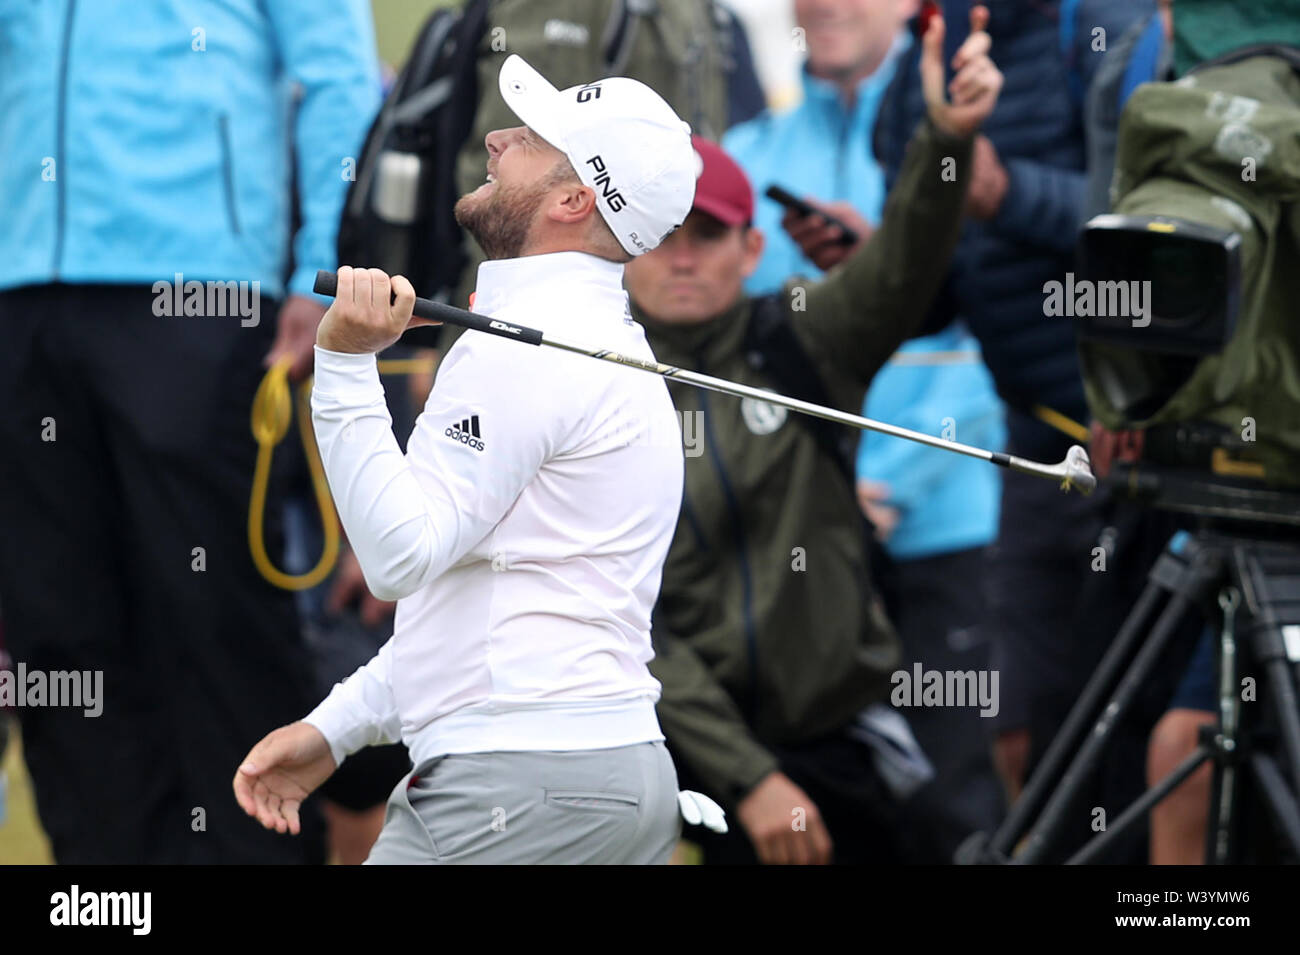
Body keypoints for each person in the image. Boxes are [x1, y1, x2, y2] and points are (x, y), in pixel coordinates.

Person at [234, 55, 699, 865]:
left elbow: (399, 557)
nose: (494, 137)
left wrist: (342, 362)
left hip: (520, 789)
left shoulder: (524, 349)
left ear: (571, 199)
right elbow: (478, 617)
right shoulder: (602, 345)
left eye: (526, 137)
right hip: (614, 778)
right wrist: (334, 731)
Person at [0, 0, 380, 863]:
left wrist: (322, 269)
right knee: (57, 632)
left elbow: (338, 78)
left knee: (211, 615)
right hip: (20, 287)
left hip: (199, 290)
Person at [625, 6, 1003, 864]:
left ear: (752, 248)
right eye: (662, 234)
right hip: (683, 750)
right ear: (625, 248)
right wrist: (751, 779)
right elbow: (627, 629)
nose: (684, 256)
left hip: (840, 745)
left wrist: (945, 138)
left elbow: (901, 264)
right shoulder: (594, 390)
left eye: (709, 233)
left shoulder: (798, 336)